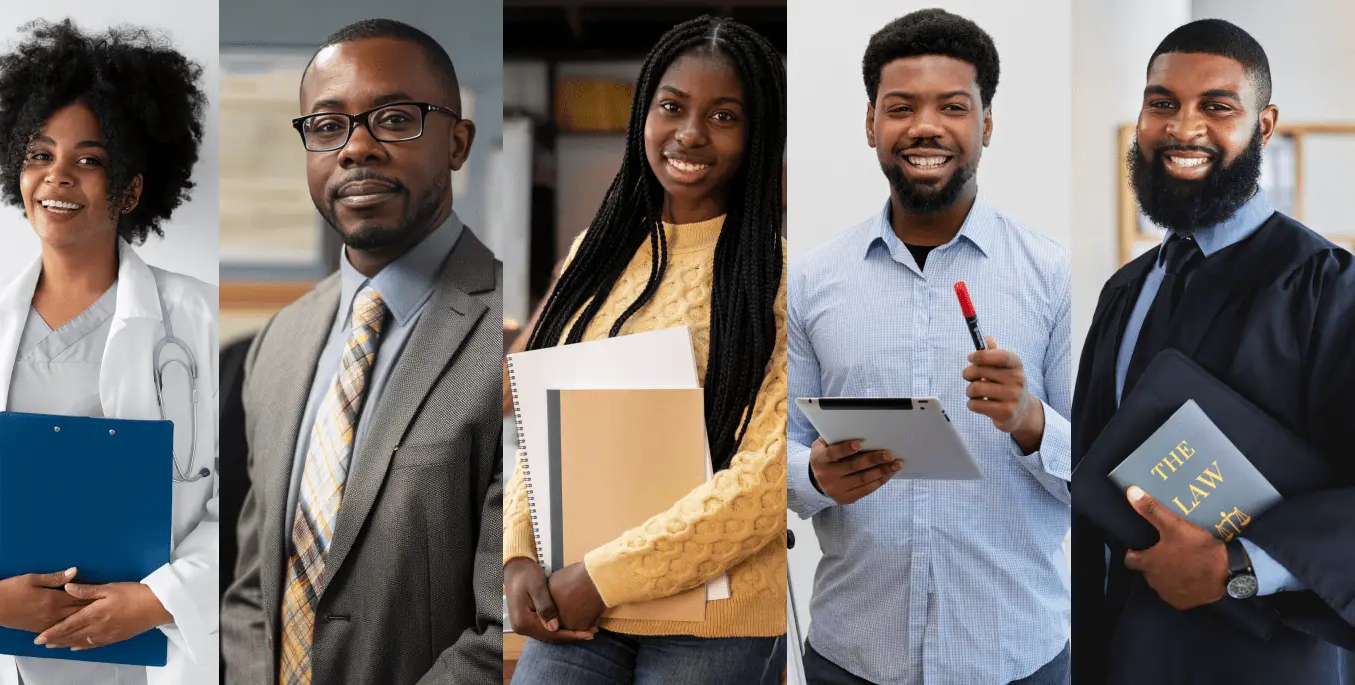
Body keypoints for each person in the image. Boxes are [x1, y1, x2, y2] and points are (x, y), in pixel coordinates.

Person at [501, 15, 788, 683]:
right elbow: (547, 423)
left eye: (724, 116)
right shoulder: (595, 257)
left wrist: (602, 576)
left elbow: (765, 479)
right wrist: (519, 551)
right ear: (644, 115)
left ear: (756, 136)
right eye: (672, 107)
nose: (690, 132)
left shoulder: (774, 280)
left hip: (712, 616)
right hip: (577, 598)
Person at [788, 10, 1071, 684]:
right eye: (901, 107)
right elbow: (775, 449)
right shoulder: (811, 279)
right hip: (853, 657)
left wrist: (1031, 420)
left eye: (952, 106)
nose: (925, 126)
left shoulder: (1053, 274)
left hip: (1016, 656)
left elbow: (1104, 470)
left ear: (986, 124)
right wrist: (815, 475)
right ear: (870, 124)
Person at [219, 18, 502, 685]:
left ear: (457, 143)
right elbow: (253, 589)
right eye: (327, 126)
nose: (357, 148)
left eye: (395, 119)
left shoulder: (512, 335)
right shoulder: (277, 342)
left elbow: (501, 629)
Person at [1071, 19, 1355, 684]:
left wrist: (1241, 566)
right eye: (1161, 102)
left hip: (1267, 655)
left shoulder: (1326, 286)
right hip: (1123, 647)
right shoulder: (1129, 289)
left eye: (1217, 106)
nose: (1182, 126)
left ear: (1264, 123)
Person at [0, 19, 218, 685]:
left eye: (89, 159)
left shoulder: (198, 320)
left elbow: (244, 501)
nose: (57, 177)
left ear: (131, 188)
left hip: (150, 653)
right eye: (39, 155)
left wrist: (157, 599)